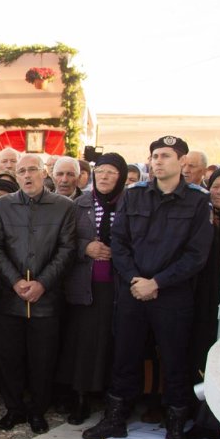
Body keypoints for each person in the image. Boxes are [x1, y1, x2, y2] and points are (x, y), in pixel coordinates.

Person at [82, 136, 213, 439]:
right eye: (154, 155)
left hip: (172, 295)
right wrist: (136, 280)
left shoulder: (197, 202)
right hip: (133, 291)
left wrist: (157, 282)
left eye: (165, 156)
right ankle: (116, 419)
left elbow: (197, 255)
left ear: (181, 162)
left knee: (174, 361)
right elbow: (120, 242)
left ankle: (175, 429)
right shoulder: (135, 195)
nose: (158, 161)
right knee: (125, 356)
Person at [0, 153, 76, 434]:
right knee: (9, 357)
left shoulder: (64, 207)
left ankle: (38, 410)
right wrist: (15, 282)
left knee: (43, 358)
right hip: (10, 297)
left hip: (46, 298)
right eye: (21, 171)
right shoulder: (4, 206)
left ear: (44, 172)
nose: (26, 175)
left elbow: (67, 249)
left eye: (32, 170)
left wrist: (42, 283)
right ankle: (13, 409)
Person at [58, 153, 128, 424]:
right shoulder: (79, 204)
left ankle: (112, 398)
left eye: (111, 172)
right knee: (83, 344)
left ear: (120, 176)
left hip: (118, 287)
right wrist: (85, 247)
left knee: (112, 342)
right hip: (85, 287)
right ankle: (81, 398)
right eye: (101, 172)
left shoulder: (129, 204)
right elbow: (65, 240)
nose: (105, 177)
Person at [185, 167, 220, 439]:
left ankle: (219, 425)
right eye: (216, 186)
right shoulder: (200, 218)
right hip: (198, 299)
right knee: (198, 358)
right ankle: (199, 420)